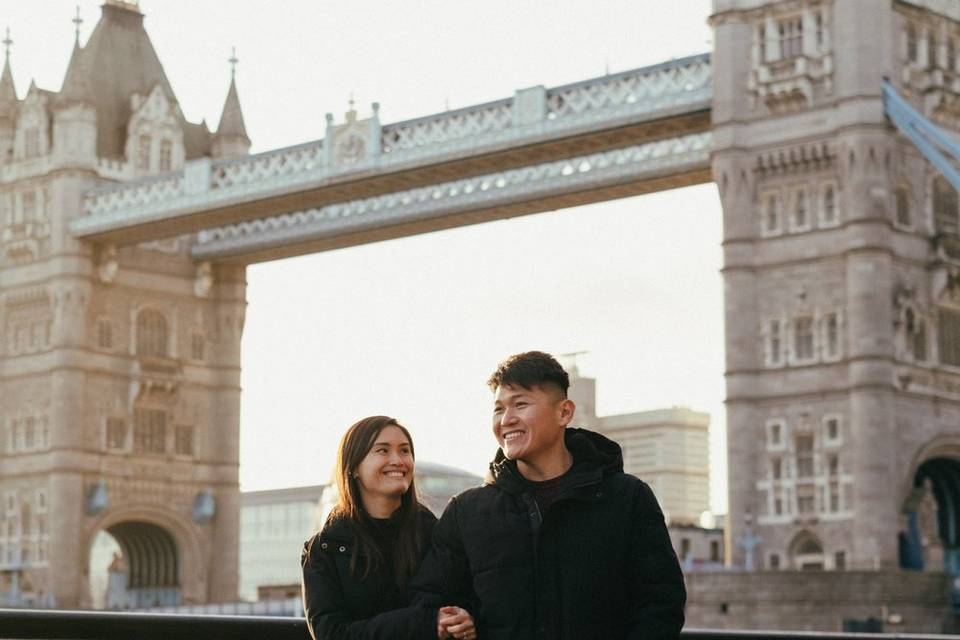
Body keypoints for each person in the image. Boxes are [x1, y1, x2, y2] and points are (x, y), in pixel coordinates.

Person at [416, 351, 687, 639]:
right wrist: (460, 618)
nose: (506, 419)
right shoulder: (465, 512)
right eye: (498, 409)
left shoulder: (628, 498)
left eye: (520, 404)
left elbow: (661, 605)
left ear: (564, 412)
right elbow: (430, 602)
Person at [301, 415, 476, 640]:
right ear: (353, 467)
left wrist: (466, 618)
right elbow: (331, 634)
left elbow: (464, 600)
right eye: (383, 451)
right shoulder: (325, 549)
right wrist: (425, 624)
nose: (398, 460)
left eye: (405, 451)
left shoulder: (438, 535)